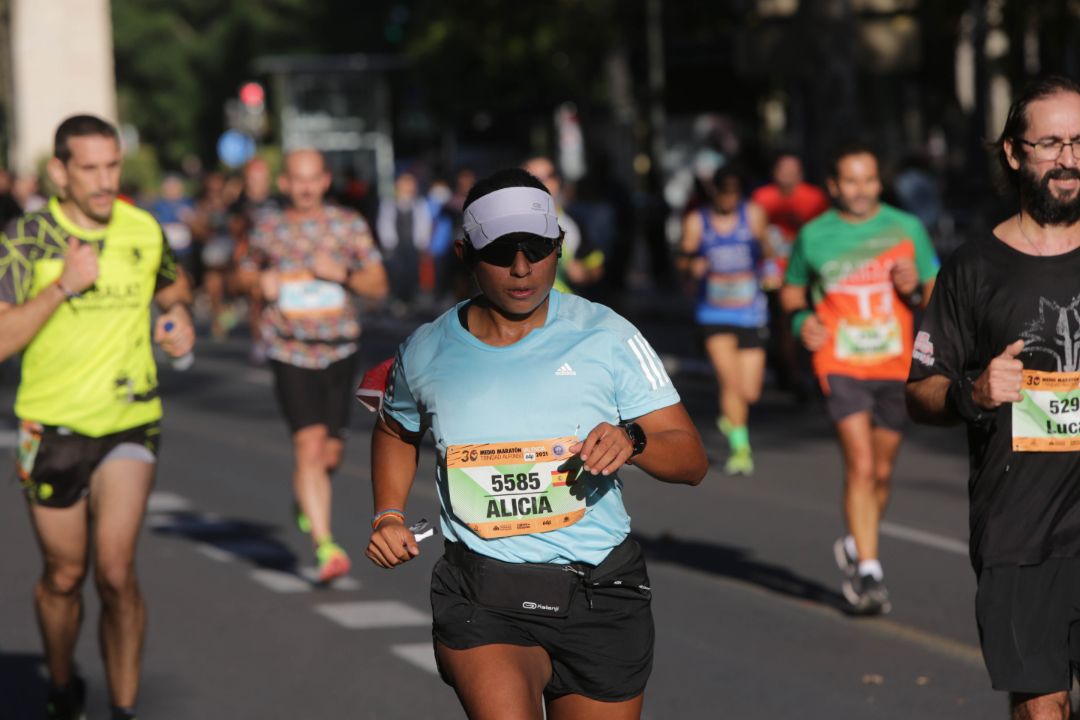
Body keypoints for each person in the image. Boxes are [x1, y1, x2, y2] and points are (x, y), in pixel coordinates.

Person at [366, 167, 707, 720]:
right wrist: (387, 514)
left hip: (602, 591)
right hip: (482, 593)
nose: (522, 269)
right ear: (465, 252)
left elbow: (691, 460)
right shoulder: (427, 351)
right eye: (502, 252)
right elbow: (393, 428)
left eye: (538, 249)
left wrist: (634, 439)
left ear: (560, 246)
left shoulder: (607, 335)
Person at [0, 115, 195, 720]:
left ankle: (125, 709)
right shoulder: (26, 239)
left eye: (113, 165)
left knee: (114, 571)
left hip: (129, 420)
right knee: (63, 575)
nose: (106, 180)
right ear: (59, 171)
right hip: (49, 425)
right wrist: (62, 287)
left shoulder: (143, 229)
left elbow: (174, 289)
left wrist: (179, 323)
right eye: (90, 168)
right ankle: (63, 687)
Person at [906, 75, 1080, 720]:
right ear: (1014, 152)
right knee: (1042, 707)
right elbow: (920, 393)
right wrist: (972, 392)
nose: (1069, 158)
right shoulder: (974, 268)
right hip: (1018, 530)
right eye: (1052, 143)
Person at [780, 142, 938, 615]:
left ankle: (857, 541)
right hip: (840, 362)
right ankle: (869, 570)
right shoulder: (814, 236)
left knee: (884, 471)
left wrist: (914, 289)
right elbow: (791, 293)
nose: (862, 190)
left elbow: (936, 290)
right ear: (833, 186)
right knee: (862, 465)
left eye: (869, 179)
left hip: (895, 363)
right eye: (851, 180)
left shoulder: (906, 228)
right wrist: (800, 321)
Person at [237, 148, 388, 582]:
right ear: (285, 184)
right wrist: (258, 281)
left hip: (340, 348)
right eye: (296, 179)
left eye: (312, 178)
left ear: (324, 180)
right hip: (290, 349)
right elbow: (240, 274)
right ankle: (326, 547)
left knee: (330, 453)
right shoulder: (268, 228)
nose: (304, 187)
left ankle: (306, 495)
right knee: (308, 446)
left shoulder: (348, 225)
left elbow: (377, 285)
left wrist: (342, 274)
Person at [678, 165, 771, 475]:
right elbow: (682, 258)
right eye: (723, 192)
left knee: (750, 390)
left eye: (734, 193)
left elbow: (767, 250)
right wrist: (693, 265)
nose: (729, 199)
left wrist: (772, 270)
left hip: (750, 310)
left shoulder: (753, 214)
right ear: (714, 192)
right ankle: (740, 448)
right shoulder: (698, 221)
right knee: (729, 381)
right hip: (713, 312)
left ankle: (732, 419)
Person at [751, 152, 830, 398]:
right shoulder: (762, 197)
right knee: (784, 325)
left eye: (792, 170)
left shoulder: (814, 197)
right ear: (775, 173)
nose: (787, 176)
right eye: (782, 170)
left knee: (817, 319)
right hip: (776, 274)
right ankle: (792, 375)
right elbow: (757, 233)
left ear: (801, 174)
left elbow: (824, 233)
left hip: (809, 272)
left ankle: (821, 372)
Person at [523, 156, 604, 294]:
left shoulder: (573, 222)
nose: (540, 184)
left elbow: (596, 266)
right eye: (532, 178)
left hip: (563, 309)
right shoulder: (505, 225)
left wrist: (584, 274)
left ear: (557, 181)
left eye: (547, 176)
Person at [376, 171, 433, 315]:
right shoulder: (389, 203)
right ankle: (396, 300)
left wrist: (423, 242)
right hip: (396, 245)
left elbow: (424, 223)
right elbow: (384, 223)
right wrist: (388, 242)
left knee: (412, 272)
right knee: (396, 272)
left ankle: (411, 300)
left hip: (413, 244)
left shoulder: (419, 204)